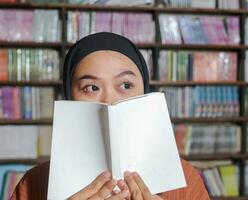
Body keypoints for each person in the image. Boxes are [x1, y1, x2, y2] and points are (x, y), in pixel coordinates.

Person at [11, 32, 210, 200]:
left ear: (145, 92)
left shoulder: (186, 180)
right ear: (70, 97)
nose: (110, 101)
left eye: (126, 85)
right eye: (91, 87)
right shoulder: (33, 184)